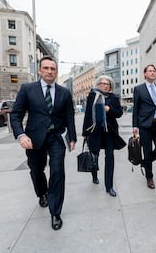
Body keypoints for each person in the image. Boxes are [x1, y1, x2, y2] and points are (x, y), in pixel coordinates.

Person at [10, 56, 77, 230]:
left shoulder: (64, 92)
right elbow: (15, 115)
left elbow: (69, 117)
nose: (49, 71)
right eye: (46, 68)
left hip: (57, 138)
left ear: (56, 71)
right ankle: (42, 193)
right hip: (34, 139)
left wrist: (72, 137)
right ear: (40, 70)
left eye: (52, 68)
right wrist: (21, 135)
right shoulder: (27, 89)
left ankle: (55, 212)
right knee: (36, 170)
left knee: (57, 172)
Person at [82, 75, 126, 197]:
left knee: (110, 157)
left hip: (109, 132)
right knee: (94, 156)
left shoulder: (113, 97)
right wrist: (85, 134)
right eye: (103, 83)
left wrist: (109, 109)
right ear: (98, 84)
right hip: (95, 131)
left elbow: (119, 113)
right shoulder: (92, 96)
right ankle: (94, 175)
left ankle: (109, 186)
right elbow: (88, 115)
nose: (106, 86)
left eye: (108, 84)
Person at [132, 64, 156, 189]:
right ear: (145, 74)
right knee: (146, 150)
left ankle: (146, 162)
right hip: (145, 124)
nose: (153, 73)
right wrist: (135, 125)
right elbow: (136, 108)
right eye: (150, 71)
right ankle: (149, 177)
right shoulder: (139, 89)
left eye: (154, 71)